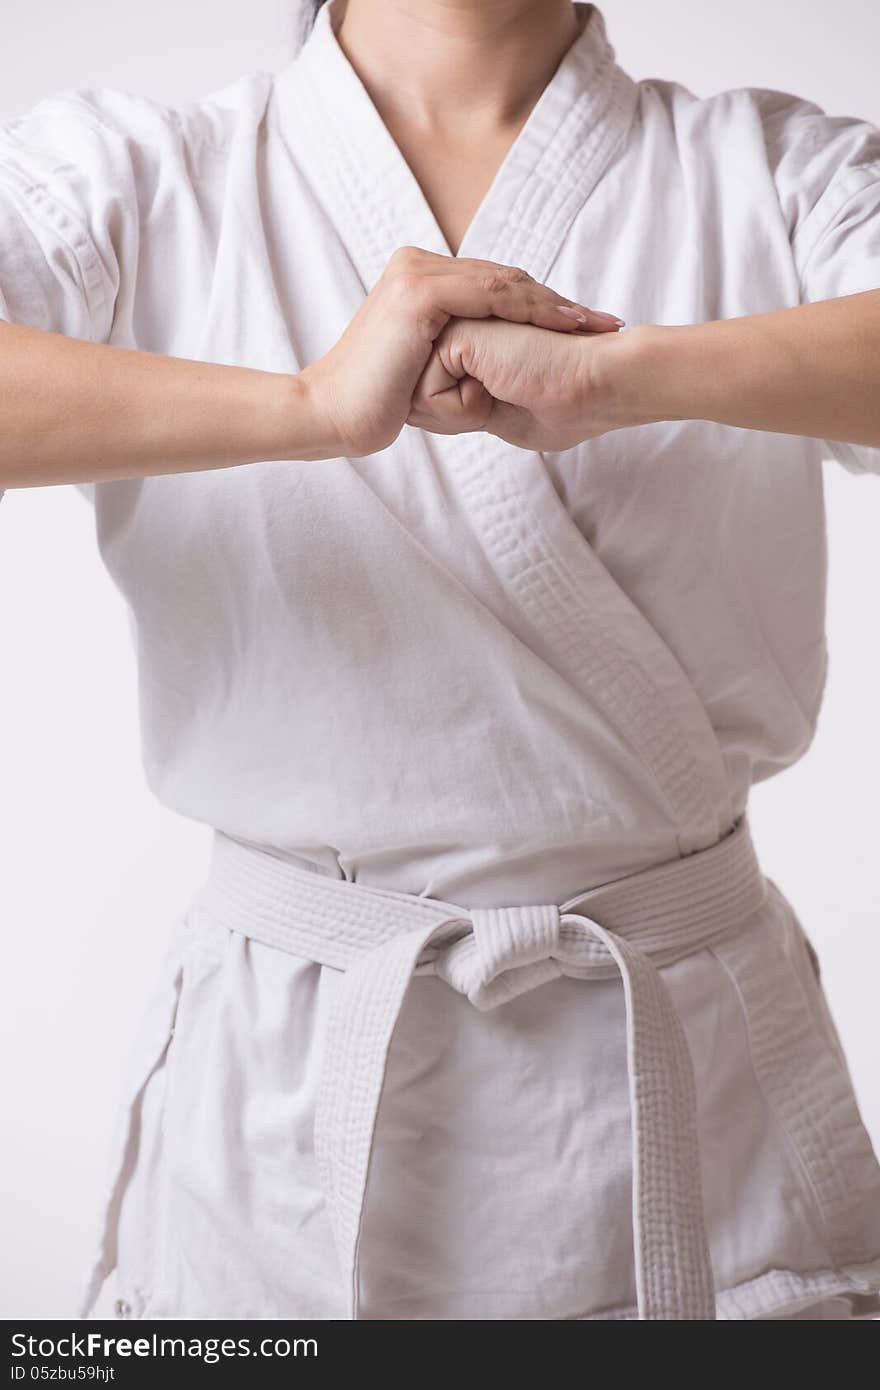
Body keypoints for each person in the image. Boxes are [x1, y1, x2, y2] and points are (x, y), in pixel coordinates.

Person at [2, 0, 879, 1322]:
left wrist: (634, 376)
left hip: (696, 1109)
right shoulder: (136, 178)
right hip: (276, 1127)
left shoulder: (771, 176)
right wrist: (303, 409)